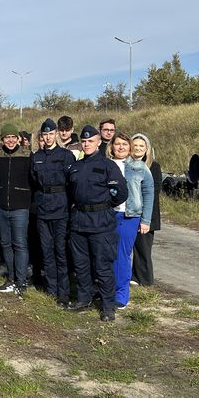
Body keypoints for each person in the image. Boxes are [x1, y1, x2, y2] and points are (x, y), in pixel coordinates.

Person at [66, 125, 127, 322]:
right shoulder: (75, 166)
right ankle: (84, 299)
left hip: (101, 222)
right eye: (84, 141)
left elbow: (121, 193)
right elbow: (70, 193)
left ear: (99, 142)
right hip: (79, 222)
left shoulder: (108, 166)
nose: (86, 144)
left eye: (90, 141)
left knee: (103, 266)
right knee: (81, 265)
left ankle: (108, 306)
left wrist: (103, 206)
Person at [30, 119, 76, 306]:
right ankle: (51, 288)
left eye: (50, 134)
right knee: (46, 251)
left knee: (60, 251)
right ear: (41, 136)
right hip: (42, 209)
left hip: (61, 208)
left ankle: (63, 292)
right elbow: (34, 181)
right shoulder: (36, 157)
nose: (48, 137)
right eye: (44, 135)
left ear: (56, 134)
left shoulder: (66, 156)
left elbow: (71, 183)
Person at [106, 132, 153, 309]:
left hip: (129, 217)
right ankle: (105, 289)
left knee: (122, 256)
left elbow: (149, 194)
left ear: (129, 147)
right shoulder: (105, 165)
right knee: (106, 254)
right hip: (108, 215)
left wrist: (145, 220)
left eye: (124, 144)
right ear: (111, 147)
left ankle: (121, 295)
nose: (120, 147)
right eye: (117, 144)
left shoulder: (140, 167)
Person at [0, 124, 32, 295]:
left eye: (14, 137)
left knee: (20, 244)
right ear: (2, 139)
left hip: (20, 207)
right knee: (6, 243)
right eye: (7, 137)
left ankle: (21, 281)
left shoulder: (27, 155)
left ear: (19, 139)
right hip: (0, 207)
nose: (11, 140)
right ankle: (11, 278)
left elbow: (34, 178)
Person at [130, 133, 162, 287]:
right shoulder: (128, 164)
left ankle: (146, 281)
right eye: (135, 145)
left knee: (144, 248)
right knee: (134, 247)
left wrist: (144, 215)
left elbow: (154, 191)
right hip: (131, 212)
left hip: (147, 214)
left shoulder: (153, 166)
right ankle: (135, 277)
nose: (138, 148)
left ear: (147, 149)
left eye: (141, 146)